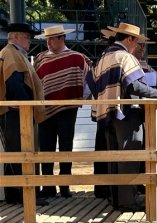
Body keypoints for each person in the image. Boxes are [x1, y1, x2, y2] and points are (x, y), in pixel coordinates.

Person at [85, 22, 157, 211]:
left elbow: (90, 82)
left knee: (114, 158)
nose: (138, 46)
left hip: (104, 113)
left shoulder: (102, 57)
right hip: (126, 114)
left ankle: (115, 199)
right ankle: (127, 202)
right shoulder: (125, 57)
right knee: (129, 156)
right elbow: (134, 86)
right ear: (129, 39)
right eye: (137, 42)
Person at [32, 25, 92, 198]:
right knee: (46, 148)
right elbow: (36, 83)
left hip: (67, 110)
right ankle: (48, 186)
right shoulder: (40, 58)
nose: (48, 43)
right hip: (45, 109)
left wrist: (79, 97)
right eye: (47, 40)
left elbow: (89, 80)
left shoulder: (77, 58)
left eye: (51, 39)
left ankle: (65, 185)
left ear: (61, 38)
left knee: (66, 147)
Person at [0, 23, 48, 205]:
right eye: (27, 37)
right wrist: (26, 105)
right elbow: (14, 84)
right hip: (16, 113)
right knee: (21, 152)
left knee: (16, 152)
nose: (30, 40)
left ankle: (16, 194)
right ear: (17, 37)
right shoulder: (11, 54)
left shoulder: (13, 53)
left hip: (15, 112)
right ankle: (24, 195)